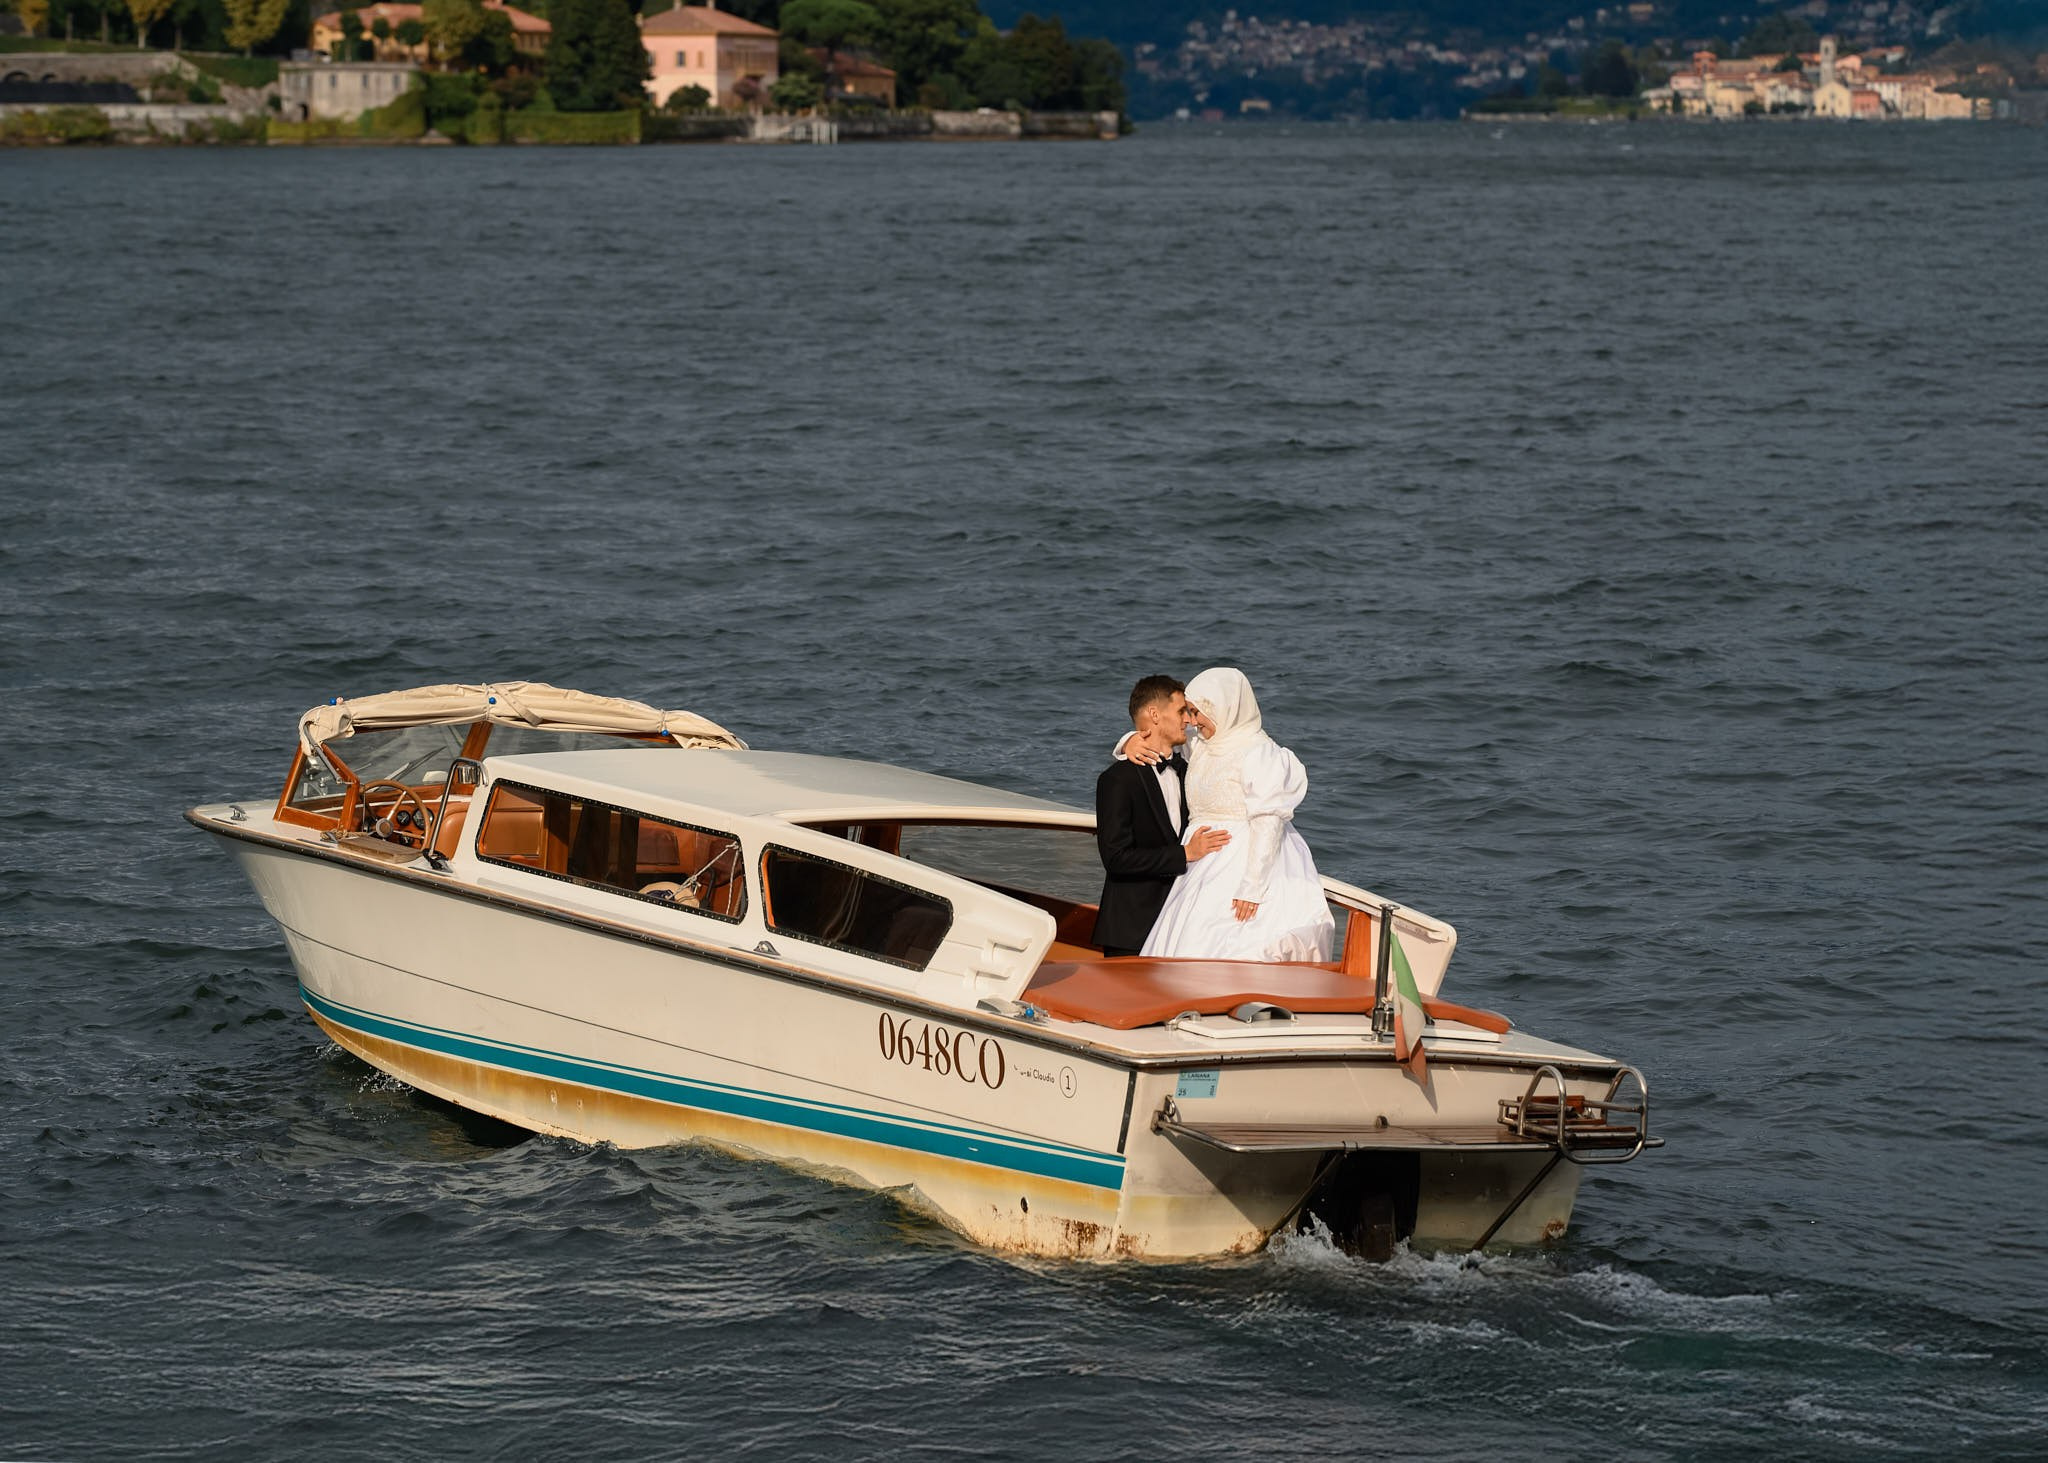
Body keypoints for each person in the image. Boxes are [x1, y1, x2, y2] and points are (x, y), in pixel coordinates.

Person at [1118, 667, 1335, 963]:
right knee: (1186, 939)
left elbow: (1267, 822)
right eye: (1189, 712)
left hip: (1243, 860)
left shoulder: (1259, 752)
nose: (1192, 722)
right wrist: (1129, 740)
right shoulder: (1200, 746)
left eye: (1196, 712)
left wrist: (1252, 887)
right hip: (1199, 864)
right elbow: (1161, 744)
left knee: (1229, 941)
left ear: (1221, 707)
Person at [1093, 675, 1231, 959]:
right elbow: (1116, 858)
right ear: (1154, 715)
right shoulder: (1117, 780)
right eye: (1181, 711)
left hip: (1181, 926)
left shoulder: (1190, 772)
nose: (1188, 720)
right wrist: (1184, 854)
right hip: (1131, 929)